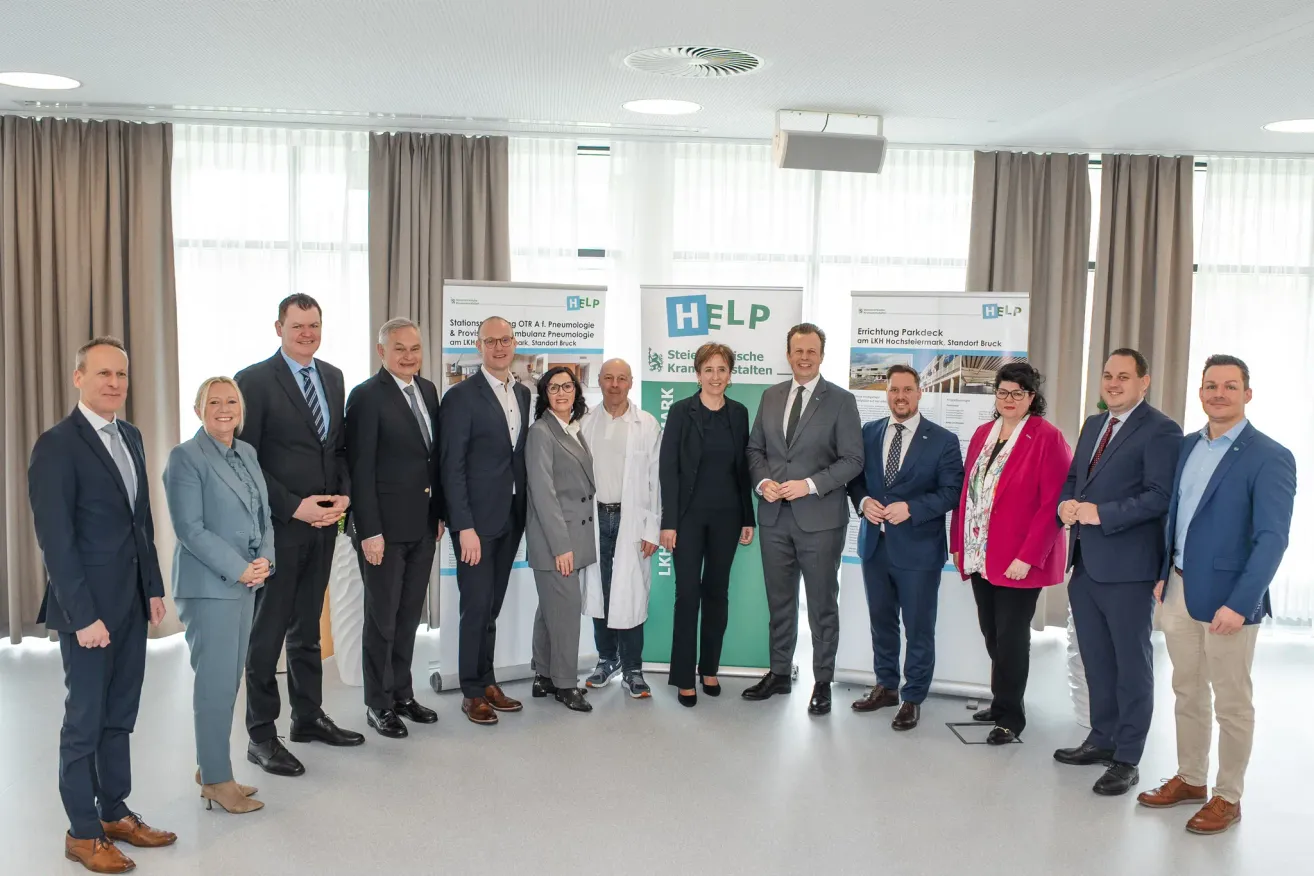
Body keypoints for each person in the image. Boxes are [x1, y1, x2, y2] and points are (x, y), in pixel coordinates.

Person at [28, 337, 176, 873]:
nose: (114, 383)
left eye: (121, 375)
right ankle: (82, 832)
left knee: (120, 716)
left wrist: (154, 587)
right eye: (103, 374)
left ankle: (114, 813)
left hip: (132, 604)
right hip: (87, 610)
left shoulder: (131, 436)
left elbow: (141, 523)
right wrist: (83, 614)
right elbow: (56, 541)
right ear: (78, 378)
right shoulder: (56, 445)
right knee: (84, 722)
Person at [1136, 355, 1295, 835]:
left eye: (1230, 386)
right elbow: (1175, 517)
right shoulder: (1186, 447)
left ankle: (1228, 795)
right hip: (1180, 589)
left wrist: (1241, 602)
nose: (1218, 393)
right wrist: (1165, 572)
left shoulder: (1270, 455)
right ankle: (1191, 778)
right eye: (1210, 385)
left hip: (1230, 599)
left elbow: (1273, 539)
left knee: (1231, 701)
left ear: (1248, 394)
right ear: (1200, 393)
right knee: (1186, 690)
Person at [236, 293, 363, 777]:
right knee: (267, 634)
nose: (307, 333)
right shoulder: (254, 381)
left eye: (314, 325)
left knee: (308, 628)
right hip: (279, 528)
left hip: (326, 525)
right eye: (297, 326)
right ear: (278, 328)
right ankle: (261, 736)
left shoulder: (332, 376)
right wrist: (293, 506)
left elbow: (338, 449)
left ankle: (308, 717)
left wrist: (343, 496)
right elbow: (246, 461)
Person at [1053, 349, 1182, 795]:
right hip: (1086, 564)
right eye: (1107, 375)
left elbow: (1159, 496)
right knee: (1096, 660)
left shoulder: (1162, 431)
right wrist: (1066, 505)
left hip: (1128, 568)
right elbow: (1075, 479)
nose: (1113, 383)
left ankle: (1127, 757)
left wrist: (1098, 514)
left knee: (1131, 666)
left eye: (1123, 377)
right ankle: (1102, 738)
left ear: (1144, 382)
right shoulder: (1094, 424)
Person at [164, 376, 273, 815]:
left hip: (247, 583)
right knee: (214, 684)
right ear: (198, 409)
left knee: (228, 681)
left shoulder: (245, 452)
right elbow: (190, 529)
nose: (224, 408)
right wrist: (240, 567)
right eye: (215, 402)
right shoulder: (185, 458)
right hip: (210, 587)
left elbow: (263, 513)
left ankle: (211, 766)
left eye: (232, 401)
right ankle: (215, 779)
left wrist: (265, 560)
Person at [744, 324, 863, 715]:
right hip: (775, 517)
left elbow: (852, 460)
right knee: (780, 602)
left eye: (812, 351)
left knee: (821, 605)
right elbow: (755, 449)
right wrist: (763, 482)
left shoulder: (841, 401)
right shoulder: (771, 395)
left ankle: (823, 681)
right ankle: (779, 672)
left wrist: (810, 485)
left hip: (821, 520)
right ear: (788, 353)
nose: (805, 357)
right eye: (798, 350)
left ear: (822, 355)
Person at [950, 362, 1071, 745]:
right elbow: (967, 492)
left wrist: (1027, 556)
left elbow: (1054, 501)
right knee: (991, 631)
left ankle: (1011, 717)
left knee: (1011, 636)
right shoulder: (983, 434)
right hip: (980, 551)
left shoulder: (1047, 437)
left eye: (1018, 393)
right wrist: (958, 543)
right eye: (1003, 392)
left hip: (1020, 559)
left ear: (1032, 398)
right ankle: (1002, 700)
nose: (1009, 400)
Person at [845, 364, 963, 730]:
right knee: (882, 622)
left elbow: (951, 492)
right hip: (874, 547)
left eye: (907, 390)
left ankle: (913, 697)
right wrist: (864, 503)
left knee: (918, 627)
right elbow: (856, 480)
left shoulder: (943, 440)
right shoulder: (869, 432)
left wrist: (911, 508)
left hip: (919, 551)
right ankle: (886, 686)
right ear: (887, 393)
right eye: (894, 390)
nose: (900, 396)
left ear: (919, 392)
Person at [345, 318, 446, 739]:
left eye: (415, 348)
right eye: (400, 348)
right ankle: (378, 703)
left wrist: (439, 513)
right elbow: (359, 469)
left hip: (423, 526)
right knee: (382, 619)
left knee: (408, 618)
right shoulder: (367, 396)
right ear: (381, 351)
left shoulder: (427, 390)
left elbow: (432, 459)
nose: (409, 356)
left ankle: (403, 694)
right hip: (382, 532)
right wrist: (369, 531)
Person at [439, 315, 531, 725]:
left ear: (514, 344)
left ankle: (489, 679)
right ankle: (471, 691)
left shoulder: (524, 393)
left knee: (491, 605)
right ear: (479, 346)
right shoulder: (461, 397)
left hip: (512, 516)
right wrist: (464, 527)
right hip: (475, 522)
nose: (499, 347)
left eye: (505, 340)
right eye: (490, 341)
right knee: (475, 606)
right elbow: (451, 467)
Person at [659, 343, 756, 707]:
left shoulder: (740, 413)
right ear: (697, 374)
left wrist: (748, 517)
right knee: (687, 596)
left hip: (727, 518)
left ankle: (709, 668)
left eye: (722, 370)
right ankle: (684, 675)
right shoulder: (681, 411)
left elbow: (744, 471)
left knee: (717, 594)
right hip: (687, 519)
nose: (716, 377)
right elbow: (668, 470)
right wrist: (668, 523)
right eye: (709, 370)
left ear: (731, 375)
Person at [580, 359, 662, 699]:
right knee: (600, 592)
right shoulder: (585, 422)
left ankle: (633, 668)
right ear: (599, 382)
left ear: (630, 383)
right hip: (594, 518)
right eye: (608, 378)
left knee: (630, 594)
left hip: (631, 521)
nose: (615, 384)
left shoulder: (646, 424)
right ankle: (606, 660)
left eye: (622, 379)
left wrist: (652, 530)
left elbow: (656, 481)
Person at [525, 367, 598, 712]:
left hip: (572, 536)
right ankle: (566, 685)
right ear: (545, 394)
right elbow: (543, 494)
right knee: (566, 610)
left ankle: (543, 675)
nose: (562, 392)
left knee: (550, 609)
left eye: (567, 386)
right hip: (556, 540)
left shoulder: (571, 428)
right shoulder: (542, 432)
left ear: (576, 390)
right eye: (553, 388)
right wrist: (562, 546)